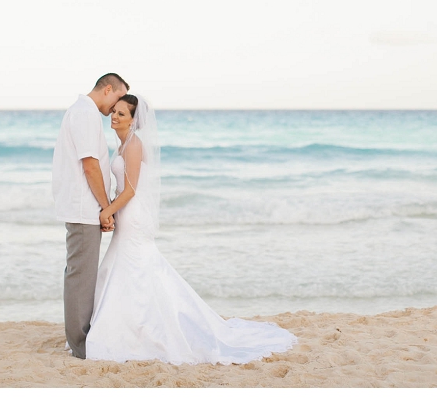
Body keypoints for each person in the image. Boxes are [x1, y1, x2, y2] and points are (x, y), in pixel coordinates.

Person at [85, 95, 297, 364]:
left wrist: (107, 211)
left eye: (121, 114)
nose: (114, 117)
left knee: (136, 267)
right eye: (114, 111)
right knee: (128, 267)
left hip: (132, 215)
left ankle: (140, 330)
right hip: (126, 213)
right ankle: (127, 327)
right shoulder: (123, 144)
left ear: (133, 120)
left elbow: (131, 190)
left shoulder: (134, 146)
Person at [52, 73, 129, 359]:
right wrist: (105, 206)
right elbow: (90, 166)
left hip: (83, 206)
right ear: (107, 89)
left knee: (80, 275)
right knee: (81, 278)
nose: (116, 107)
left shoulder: (81, 112)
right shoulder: (85, 114)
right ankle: (80, 345)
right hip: (84, 208)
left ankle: (79, 339)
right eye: (117, 98)